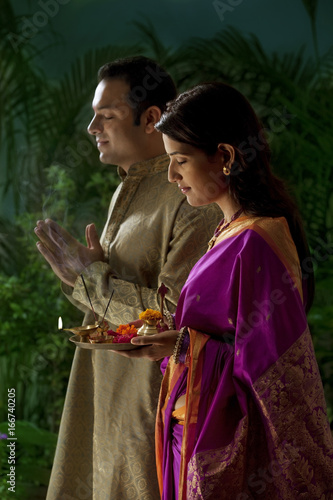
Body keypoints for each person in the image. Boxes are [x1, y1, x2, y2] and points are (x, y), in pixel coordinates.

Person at [120, 82, 333, 499]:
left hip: (220, 444)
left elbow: (271, 369)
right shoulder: (229, 231)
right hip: (190, 430)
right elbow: (222, 332)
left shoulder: (256, 242)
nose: (171, 176)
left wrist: (181, 346)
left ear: (226, 157)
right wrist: (178, 338)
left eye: (180, 160)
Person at [34, 58, 222, 500]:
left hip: (148, 400)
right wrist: (88, 275)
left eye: (107, 115)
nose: (91, 127)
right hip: (102, 390)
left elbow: (172, 319)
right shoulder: (129, 185)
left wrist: (89, 277)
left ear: (152, 118)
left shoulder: (191, 195)